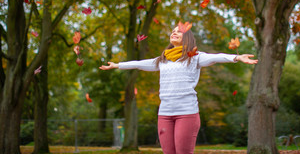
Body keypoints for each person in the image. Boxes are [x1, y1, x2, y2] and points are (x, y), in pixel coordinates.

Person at [99, 25, 258, 154]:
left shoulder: (195, 56)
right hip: (165, 114)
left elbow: (216, 56)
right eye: (173, 31)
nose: (174, 33)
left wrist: (237, 57)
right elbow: (140, 63)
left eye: (178, 31)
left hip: (187, 113)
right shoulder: (162, 59)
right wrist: (118, 65)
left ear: (187, 38)